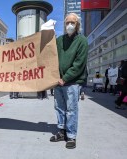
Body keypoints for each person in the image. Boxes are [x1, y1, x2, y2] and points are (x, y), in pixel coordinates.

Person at [50, 13, 88, 149]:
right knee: (59, 108)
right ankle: (61, 131)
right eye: (67, 23)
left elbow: (79, 64)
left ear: (77, 25)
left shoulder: (82, 41)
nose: (70, 25)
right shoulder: (60, 40)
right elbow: (51, 53)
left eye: (73, 22)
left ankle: (71, 136)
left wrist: (65, 78)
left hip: (71, 82)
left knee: (71, 110)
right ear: (64, 24)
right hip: (58, 81)